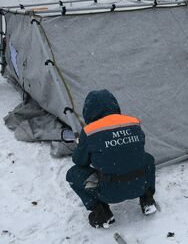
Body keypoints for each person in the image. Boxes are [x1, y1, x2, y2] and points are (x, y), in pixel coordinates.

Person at [66, 89, 157, 229]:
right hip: (140, 185)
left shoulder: (90, 131)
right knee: (148, 159)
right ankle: (147, 199)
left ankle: (101, 212)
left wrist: (85, 147)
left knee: (73, 174)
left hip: (109, 192)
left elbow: (79, 162)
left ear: (88, 110)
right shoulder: (134, 122)